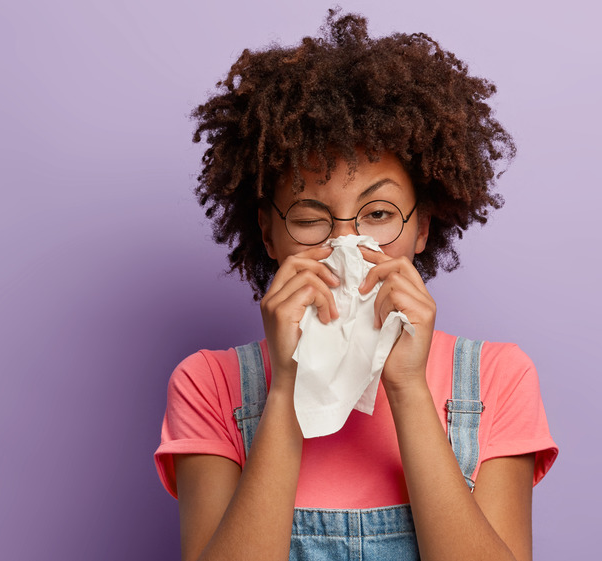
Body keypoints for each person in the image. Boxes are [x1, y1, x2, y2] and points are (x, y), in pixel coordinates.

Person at [154, 10, 559, 561]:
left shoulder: (495, 381)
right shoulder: (209, 385)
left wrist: (409, 389)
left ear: (421, 227)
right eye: (309, 218)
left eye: (378, 213)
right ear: (269, 234)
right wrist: (285, 390)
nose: (346, 245)